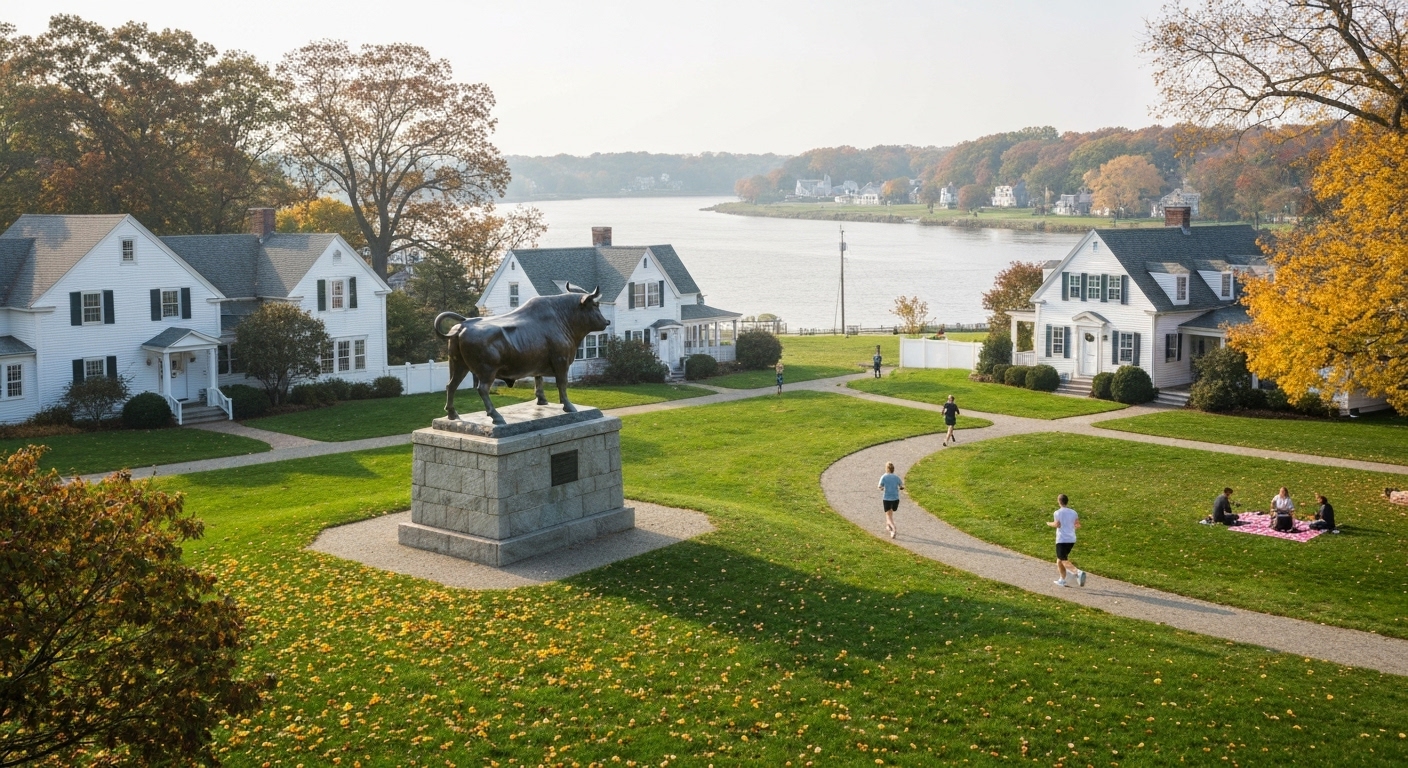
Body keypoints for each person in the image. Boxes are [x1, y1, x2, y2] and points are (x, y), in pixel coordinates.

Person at [1047, 493, 1086, 587]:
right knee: (1059, 560)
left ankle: (1077, 572)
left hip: (1062, 539)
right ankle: (1062, 580)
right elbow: (1077, 525)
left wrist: (1049, 523)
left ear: (1059, 501)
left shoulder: (1057, 513)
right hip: (1071, 539)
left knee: (1063, 559)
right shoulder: (1074, 512)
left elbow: (1057, 525)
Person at [878, 462, 904, 539]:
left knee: (888, 516)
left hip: (887, 498)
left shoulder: (884, 477)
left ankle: (893, 529)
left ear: (886, 468)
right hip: (895, 498)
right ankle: (888, 526)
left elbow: (880, 486)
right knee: (890, 513)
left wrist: (882, 488)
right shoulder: (896, 477)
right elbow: (901, 486)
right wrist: (900, 488)